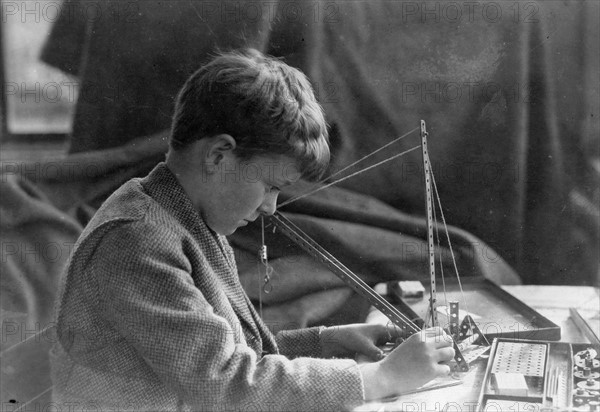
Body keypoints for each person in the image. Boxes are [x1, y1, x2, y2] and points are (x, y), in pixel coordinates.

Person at [50, 48, 454, 411]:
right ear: (219, 155)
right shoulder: (137, 240)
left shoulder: (186, 219)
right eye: (270, 186)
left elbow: (233, 352)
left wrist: (328, 341)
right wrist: (380, 378)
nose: (270, 207)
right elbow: (225, 386)